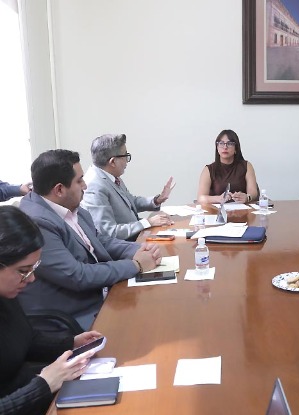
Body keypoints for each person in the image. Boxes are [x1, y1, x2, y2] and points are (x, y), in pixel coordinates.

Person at [18, 149, 162, 330]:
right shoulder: (36, 223)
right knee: (149, 327)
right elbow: (76, 275)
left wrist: (139, 250)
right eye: (79, 180)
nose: (85, 186)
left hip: (98, 296)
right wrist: (136, 265)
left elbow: (99, 240)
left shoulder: (70, 207)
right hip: (72, 316)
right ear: (59, 189)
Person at [0, 205, 102, 415]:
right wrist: (45, 384)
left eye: (33, 269)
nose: (31, 279)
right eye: (23, 271)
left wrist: (71, 343)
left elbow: (24, 339)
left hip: (32, 390)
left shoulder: (6, 295)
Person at [81, 134, 175, 241]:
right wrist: (147, 222)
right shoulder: (94, 186)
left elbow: (130, 202)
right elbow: (109, 233)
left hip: (135, 236)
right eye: (125, 155)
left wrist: (157, 200)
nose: (127, 160)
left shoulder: (110, 175)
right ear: (112, 162)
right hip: (124, 245)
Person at [196, 129, 259, 204]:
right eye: (221, 143)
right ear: (217, 147)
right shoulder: (209, 169)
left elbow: (253, 192)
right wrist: (218, 199)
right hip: (217, 210)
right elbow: (201, 198)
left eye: (229, 143)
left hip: (243, 209)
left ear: (236, 148)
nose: (225, 147)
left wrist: (247, 197)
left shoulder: (246, 166)